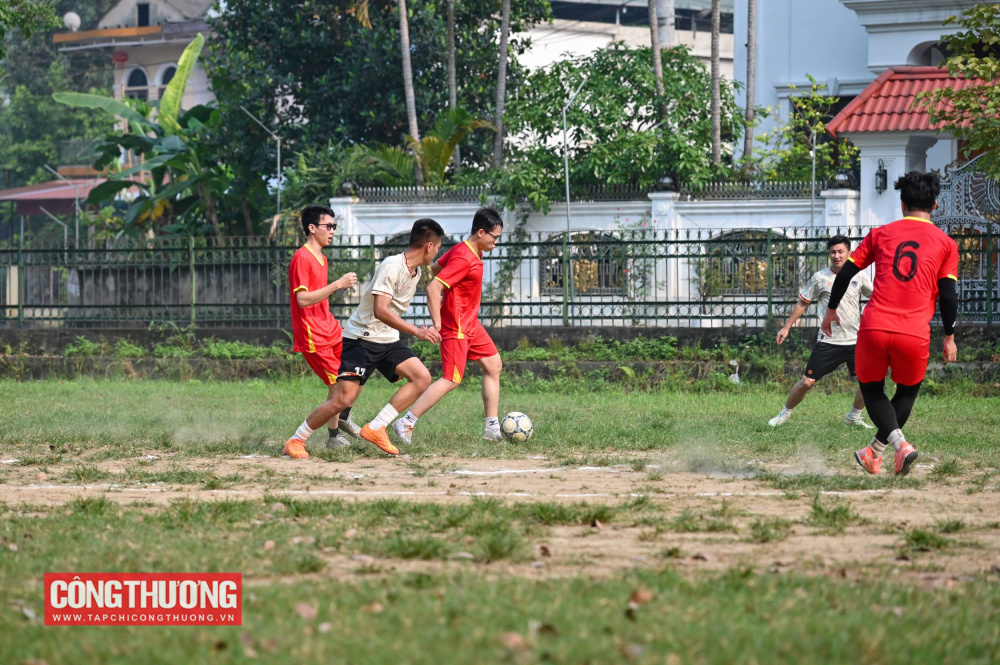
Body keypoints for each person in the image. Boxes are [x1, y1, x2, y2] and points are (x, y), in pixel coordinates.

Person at [821, 171, 959, 476]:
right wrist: (949, 336)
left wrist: (832, 310)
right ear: (934, 205)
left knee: (871, 390)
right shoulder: (947, 243)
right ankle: (894, 446)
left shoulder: (881, 234)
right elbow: (949, 296)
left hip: (874, 327)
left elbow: (845, 273)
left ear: (902, 203)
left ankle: (880, 450)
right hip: (914, 332)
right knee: (907, 392)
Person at [284, 219, 446, 458]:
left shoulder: (416, 271)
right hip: (361, 339)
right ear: (429, 246)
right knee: (341, 400)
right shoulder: (392, 266)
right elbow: (380, 310)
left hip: (387, 339)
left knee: (421, 377)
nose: (438, 252)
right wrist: (417, 331)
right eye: (439, 246)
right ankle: (297, 439)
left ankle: (377, 427)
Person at [388, 206, 505, 445]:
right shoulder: (464, 257)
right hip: (457, 325)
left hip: (471, 323)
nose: (496, 242)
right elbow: (434, 287)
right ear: (481, 233)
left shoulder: (465, 249)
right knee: (451, 379)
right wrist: (439, 324)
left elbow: (437, 268)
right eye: (495, 237)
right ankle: (406, 421)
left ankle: (492, 428)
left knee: (494, 365)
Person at [768, 235, 874, 428]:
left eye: (841, 251)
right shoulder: (820, 277)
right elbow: (803, 302)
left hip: (856, 341)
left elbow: (875, 296)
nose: (836, 255)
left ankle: (853, 417)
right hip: (829, 342)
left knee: (870, 384)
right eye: (833, 252)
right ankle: (783, 415)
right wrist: (787, 326)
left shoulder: (859, 275)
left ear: (849, 253)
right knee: (807, 382)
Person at [284, 204, 359, 456]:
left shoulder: (322, 258)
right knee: (339, 388)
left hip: (330, 329)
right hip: (313, 335)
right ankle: (317, 437)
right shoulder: (301, 258)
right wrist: (337, 285)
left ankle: (341, 422)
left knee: (356, 373)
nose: (333, 231)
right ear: (312, 228)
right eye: (329, 226)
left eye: (334, 227)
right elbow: (303, 299)